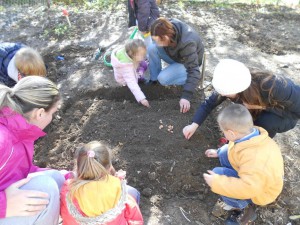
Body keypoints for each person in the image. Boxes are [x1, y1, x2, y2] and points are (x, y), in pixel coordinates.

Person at [203, 104, 284, 225]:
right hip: (254, 177)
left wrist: (218, 182)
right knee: (225, 151)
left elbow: (248, 188)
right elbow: (234, 146)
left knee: (218, 173)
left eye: (223, 131)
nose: (223, 134)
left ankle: (239, 207)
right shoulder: (251, 135)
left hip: (260, 191)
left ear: (231, 133)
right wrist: (219, 152)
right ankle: (233, 178)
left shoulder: (255, 160)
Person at [0, 76, 65, 225]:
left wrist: (71, 177)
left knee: (57, 179)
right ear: (40, 113)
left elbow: (18, 171)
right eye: (53, 113)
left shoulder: (17, 130)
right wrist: (4, 205)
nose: (52, 118)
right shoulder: (2, 140)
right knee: (46, 189)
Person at [183, 59, 300, 139]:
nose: (223, 94)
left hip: (283, 116)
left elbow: (296, 111)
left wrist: (263, 107)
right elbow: (209, 104)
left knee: (265, 123)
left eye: (226, 92)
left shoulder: (273, 86)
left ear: (237, 87)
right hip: (256, 110)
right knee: (236, 117)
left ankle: (257, 141)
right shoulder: (227, 83)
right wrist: (194, 125)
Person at [60, 141, 143, 225]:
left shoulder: (68, 190)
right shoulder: (118, 189)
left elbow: (63, 213)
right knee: (133, 192)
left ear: (78, 167)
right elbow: (135, 220)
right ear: (109, 167)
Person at [148, 17, 204, 113]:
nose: (157, 42)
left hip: (187, 63)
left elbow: (194, 70)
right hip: (175, 54)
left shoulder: (187, 43)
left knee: (163, 79)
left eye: (158, 40)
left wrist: (186, 96)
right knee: (152, 48)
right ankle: (154, 82)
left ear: (165, 37)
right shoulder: (166, 27)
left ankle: (186, 82)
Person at [111, 39, 150, 108]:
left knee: (143, 64)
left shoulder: (127, 51)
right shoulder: (127, 69)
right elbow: (132, 83)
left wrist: (139, 60)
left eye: (143, 54)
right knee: (142, 69)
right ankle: (139, 77)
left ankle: (139, 70)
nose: (143, 57)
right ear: (132, 54)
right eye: (141, 55)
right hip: (124, 78)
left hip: (130, 67)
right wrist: (142, 99)